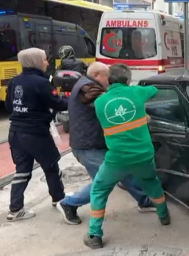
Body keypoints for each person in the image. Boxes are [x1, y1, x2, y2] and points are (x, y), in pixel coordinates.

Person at [56, 62, 155, 225]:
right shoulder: (87, 88)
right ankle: (68, 204)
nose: (110, 80)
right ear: (97, 76)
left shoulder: (88, 85)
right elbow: (112, 107)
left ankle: (144, 201)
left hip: (93, 144)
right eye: (107, 76)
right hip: (88, 147)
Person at [84, 63, 170, 249]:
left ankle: (95, 235)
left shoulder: (100, 102)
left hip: (117, 159)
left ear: (108, 80)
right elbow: (154, 89)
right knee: (151, 182)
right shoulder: (138, 93)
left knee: (99, 190)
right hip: (143, 155)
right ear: (128, 80)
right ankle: (164, 216)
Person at [5, 48, 68, 221]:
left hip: (15, 132)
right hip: (36, 133)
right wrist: (76, 99)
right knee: (51, 165)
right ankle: (59, 199)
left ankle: (15, 209)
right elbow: (58, 103)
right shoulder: (41, 82)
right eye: (45, 59)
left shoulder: (14, 81)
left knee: (22, 170)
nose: (47, 62)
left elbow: (9, 106)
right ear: (36, 61)